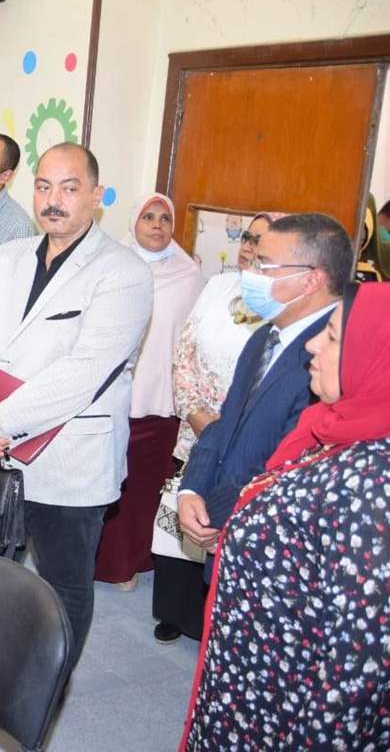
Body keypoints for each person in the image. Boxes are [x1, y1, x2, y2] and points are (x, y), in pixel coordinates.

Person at [0, 142, 153, 663]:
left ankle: (43, 685)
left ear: (96, 196)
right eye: (43, 187)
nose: (52, 199)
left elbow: (86, 369)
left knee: (63, 585)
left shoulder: (123, 271)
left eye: (69, 187)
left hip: (68, 454)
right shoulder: (5, 258)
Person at [180, 281, 390, 752]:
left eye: (332, 336)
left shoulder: (377, 484)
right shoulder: (338, 430)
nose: (313, 345)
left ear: (376, 357)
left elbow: (355, 672)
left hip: (288, 709)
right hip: (256, 679)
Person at [177, 214, 353, 571]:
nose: (252, 273)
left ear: (311, 280)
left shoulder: (331, 356)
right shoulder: (264, 336)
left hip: (269, 545)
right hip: (227, 531)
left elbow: (285, 463)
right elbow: (225, 423)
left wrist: (215, 513)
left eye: (265, 265)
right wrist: (191, 489)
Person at [151, 212, 279, 643]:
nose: (249, 247)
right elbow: (183, 353)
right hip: (196, 427)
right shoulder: (217, 285)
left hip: (245, 438)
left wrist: (228, 430)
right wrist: (195, 413)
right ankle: (174, 612)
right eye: (247, 238)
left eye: (260, 241)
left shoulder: (282, 303)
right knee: (181, 515)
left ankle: (212, 621)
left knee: (221, 524)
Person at [94, 194, 204, 589]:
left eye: (164, 219)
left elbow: (193, 341)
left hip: (162, 404)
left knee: (145, 489)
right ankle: (101, 561)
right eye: (148, 217)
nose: (157, 225)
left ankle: (133, 561)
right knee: (109, 484)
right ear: (134, 222)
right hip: (114, 397)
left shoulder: (190, 276)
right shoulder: (112, 265)